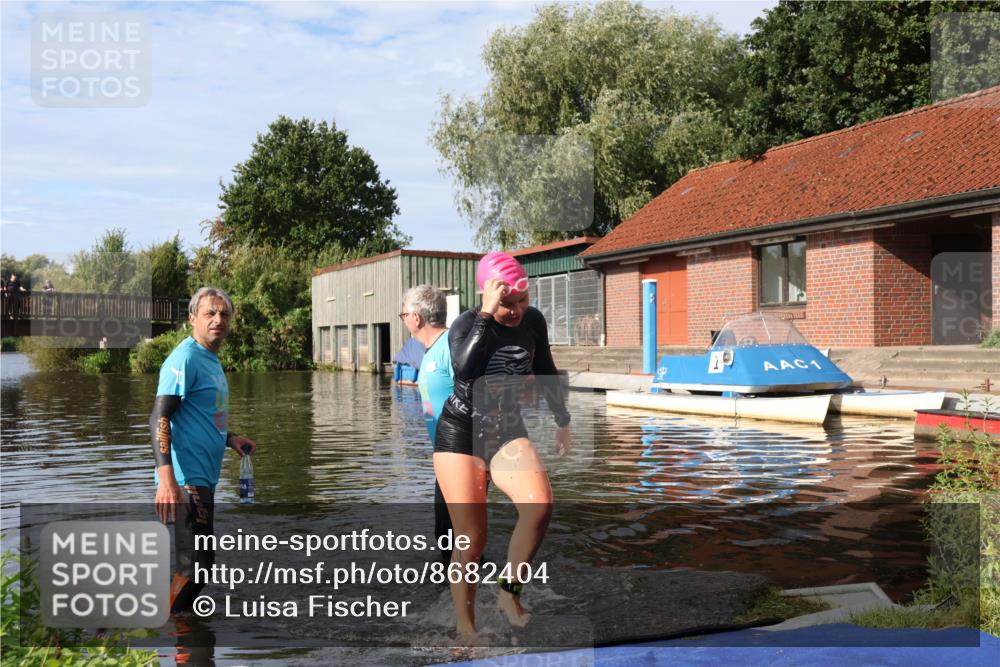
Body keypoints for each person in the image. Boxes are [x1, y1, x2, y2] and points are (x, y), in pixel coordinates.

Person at [434, 252, 571, 638]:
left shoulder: (533, 321)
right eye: (505, 304)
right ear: (487, 295)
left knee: (539, 504)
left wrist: (562, 420)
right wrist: (485, 314)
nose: (514, 312)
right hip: (461, 433)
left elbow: (544, 367)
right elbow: (464, 368)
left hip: (506, 429)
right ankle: (466, 628)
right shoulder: (464, 324)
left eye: (520, 302)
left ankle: (508, 592)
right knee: (472, 540)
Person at [150, 286, 257, 614]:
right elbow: (158, 417)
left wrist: (231, 438)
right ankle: (171, 631)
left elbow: (201, 416)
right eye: (210, 313)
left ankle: (179, 634)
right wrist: (167, 480)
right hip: (185, 479)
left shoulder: (210, 359)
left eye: (224, 314)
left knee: (200, 565)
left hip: (203, 477)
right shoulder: (185, 357)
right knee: (194, 566)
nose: (218, 319)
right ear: (193, 317)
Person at [400, 285, 455, 564]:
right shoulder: (430, 351)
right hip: (446, 459)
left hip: (462, 459)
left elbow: (480, 399)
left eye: (403, 314)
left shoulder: (450, 348)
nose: (404, 319)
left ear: (416, 318)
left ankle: (489, 596)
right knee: (448, 538)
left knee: (455, 539)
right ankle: (467, 598)